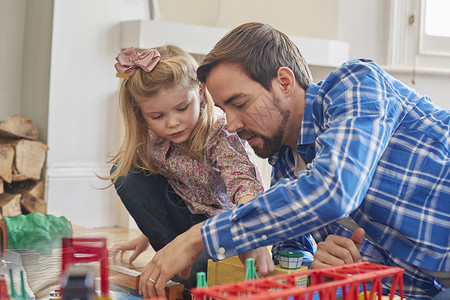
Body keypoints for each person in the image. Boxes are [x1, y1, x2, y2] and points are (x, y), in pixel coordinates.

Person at [139, 22, 449, 300]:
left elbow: (333, 190)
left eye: (240, 103)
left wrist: (198, 237)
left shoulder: (357, 85)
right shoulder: (286, 172)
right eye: (224, 110)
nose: (231, 125)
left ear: (284, 82)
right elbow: (293, 258)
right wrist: (325, 268)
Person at [105, 44, 275, 296]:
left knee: (199, 270)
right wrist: (146, 234)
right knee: (123, 170)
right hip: (183, 223)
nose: (172, 122)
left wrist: (251, 231)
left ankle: (182, 268)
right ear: (141, 114)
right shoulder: (156, 138)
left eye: (182, 108)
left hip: (220, 230)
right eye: (157, 116)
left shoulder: (221, 133)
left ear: (201, 91)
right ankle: (170, 258)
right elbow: (165, 193)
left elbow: (245, 184)